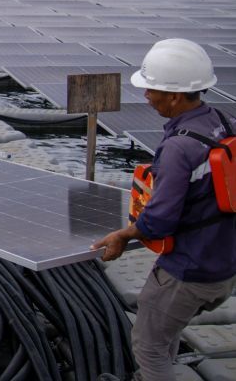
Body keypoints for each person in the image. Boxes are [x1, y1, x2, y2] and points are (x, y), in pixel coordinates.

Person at [92, 39, 236, 380]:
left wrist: (124, 234)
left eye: (151, 89)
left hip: (189, 271)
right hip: (224, 264)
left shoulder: (178, 148)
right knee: (165, 332)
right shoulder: (223, 121)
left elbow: (158, 221)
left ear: (174, 96)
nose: (145, 96)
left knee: (148, 344)